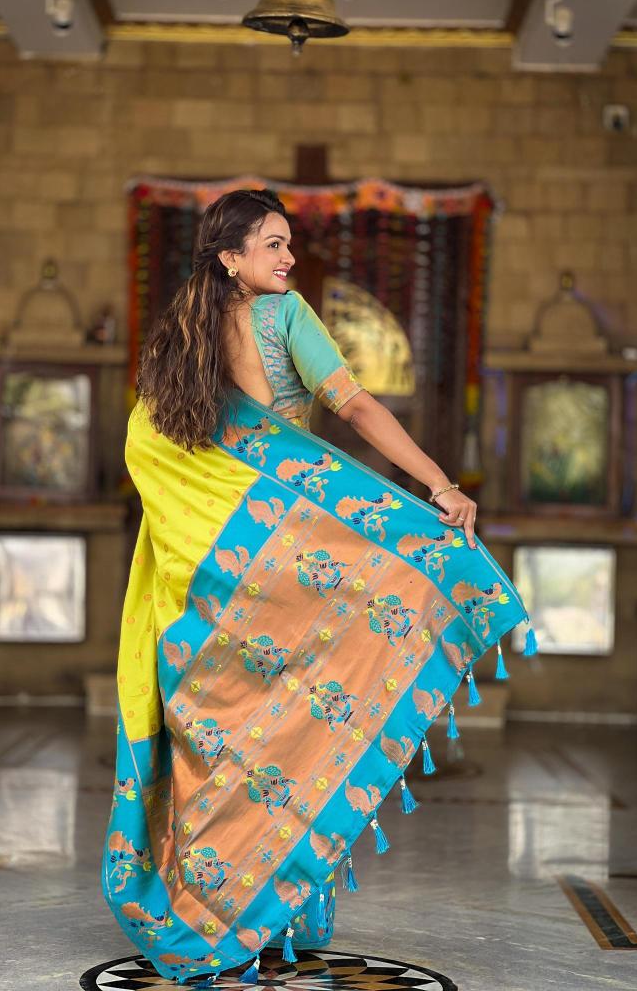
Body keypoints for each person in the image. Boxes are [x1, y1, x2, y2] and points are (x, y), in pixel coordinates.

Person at [102, 189, 531, 983]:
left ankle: (206, 912)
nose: (288, 257)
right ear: (231, 257)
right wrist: (438, 484)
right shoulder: (285, 317)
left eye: (288, 243)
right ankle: (270, 914)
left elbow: (151, 454)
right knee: (298, 731)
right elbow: (356, 407)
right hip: (284, 570)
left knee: (229, 745)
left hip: (213, 584)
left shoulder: (179, 340)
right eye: (272, 244)